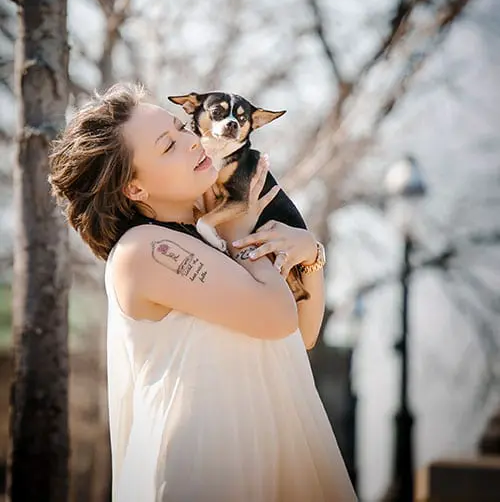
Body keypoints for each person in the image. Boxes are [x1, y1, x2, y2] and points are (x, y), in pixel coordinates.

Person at [49, 82, 357, 502]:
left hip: (267, 457)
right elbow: (276, 316)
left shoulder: (208, 238)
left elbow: (301, 335)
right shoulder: (146, 249)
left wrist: (310, 253)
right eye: (167, 146)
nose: (192, 141)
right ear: (134, 188)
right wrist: (242, 233)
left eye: (181, 128)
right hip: (200, 468)